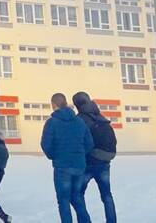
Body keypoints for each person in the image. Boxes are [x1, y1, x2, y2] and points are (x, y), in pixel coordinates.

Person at [41, 93, 95, 223]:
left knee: (63, 201)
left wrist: (54, 156)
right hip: (79, 166)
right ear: (65, 103)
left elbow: (46, 145)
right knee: (77, 197)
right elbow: (89, 143)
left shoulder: (52, 122)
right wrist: (79, 154)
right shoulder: (79, 121)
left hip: (62, 167)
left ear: (53, 104)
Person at [72, 92, 118, 223]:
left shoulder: (79, 119)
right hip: (104, 162)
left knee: (76, 194)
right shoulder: (99, 115)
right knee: (107, 195)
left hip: (88, 163)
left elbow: (79, 142)